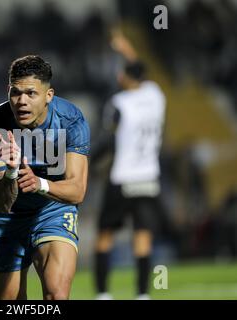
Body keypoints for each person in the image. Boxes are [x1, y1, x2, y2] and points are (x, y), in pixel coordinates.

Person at [0, 55, 90, 300]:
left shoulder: (70, 121)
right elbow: (1, 203)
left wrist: (40, 184)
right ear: (8, 91)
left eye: (31, 94)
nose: (21, 102)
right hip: (4, 219)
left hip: (51, 210)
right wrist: (12, 171)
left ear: (49, 95)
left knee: (56, 296)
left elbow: (77, 190)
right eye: (15, 93)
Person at [91, 32, 166, 300]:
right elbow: (140, 70)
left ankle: (103, 293)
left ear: (124, 78)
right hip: (148, 178)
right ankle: (143, 294)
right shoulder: (156, 96)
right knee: (143, 237)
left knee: (104, 235)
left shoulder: (119, 103)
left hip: (123, 177)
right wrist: (127, 48)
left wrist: (86, 159)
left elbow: (107, 139)